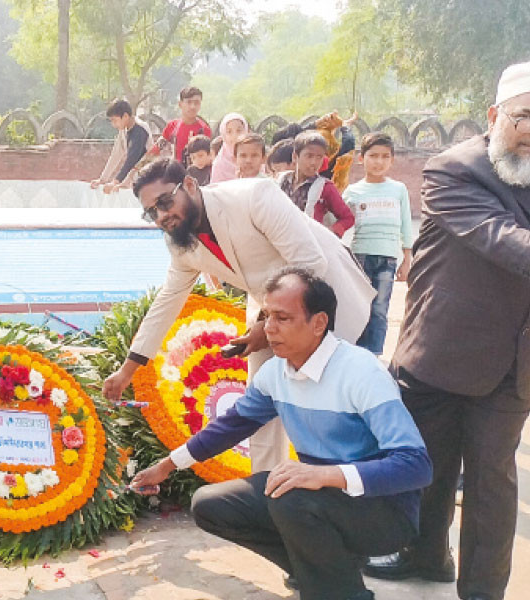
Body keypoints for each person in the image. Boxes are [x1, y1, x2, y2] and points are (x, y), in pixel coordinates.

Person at [130, 267, 432, 600]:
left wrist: (327, 475)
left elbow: (416, 465)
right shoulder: (276, 373)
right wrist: (167, 465)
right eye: (267, 316)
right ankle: (321, 571)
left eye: (283, 318)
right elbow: (230, 426)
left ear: (318, 323)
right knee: (210, 504)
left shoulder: (361, 373)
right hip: (316, 496)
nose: (268, 329)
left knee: (290, 494)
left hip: (383, 512)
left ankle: (342, 592)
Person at [364, 61, 530, 600]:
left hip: (512, 366)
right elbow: (500, 239)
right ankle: (425, 554)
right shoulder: (453, 169)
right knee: (423, 471)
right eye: (523, 117)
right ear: (495, 116)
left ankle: (482, 591)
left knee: (491, 484)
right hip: (437, 354)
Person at [102, 158, 375, 473]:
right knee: (259, 405)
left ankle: (355, 490)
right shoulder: (180, 240)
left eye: (165, 202)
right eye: (152, 212)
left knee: (334, 405)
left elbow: (310, 263)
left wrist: (264, 327)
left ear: (189, 184)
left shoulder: (254, 196)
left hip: (326, 297)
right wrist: (127, 371)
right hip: (269, 312)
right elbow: (168, 300)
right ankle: (267, 495)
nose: (162, 216)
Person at [342, 132, 413, 355]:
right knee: (359, 307)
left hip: (388, 258)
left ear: (392, 160)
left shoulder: (398, 189)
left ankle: (373, 354)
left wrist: (406, 259)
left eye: (384, 157)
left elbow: (406, 225)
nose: (379, 162)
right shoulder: (353, 191)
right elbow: (340, 221)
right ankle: (355, 353)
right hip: (360, 256)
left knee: (380, 309)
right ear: (361, 158)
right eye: (373, 156)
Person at [278, 131, 355, 237]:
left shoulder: (325, 187)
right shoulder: (281, 181)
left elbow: (348, 218)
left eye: (319, 157)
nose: (314, 162)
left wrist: (330, 232)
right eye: (309, 156)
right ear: (295, 157)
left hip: (308, 245)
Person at [91, 99, 153, 193]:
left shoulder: (140, 130)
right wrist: (102, 179)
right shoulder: (123, 130)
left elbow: (132, 159)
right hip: (134, 175)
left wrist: (116, 181)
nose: (113, 125)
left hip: (148, 176)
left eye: (115, 120)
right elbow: (116, 155)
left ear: (125, 116)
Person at [146, 86, 213, 162]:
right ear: (180, 104)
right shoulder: (172, 127)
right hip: (174, 172)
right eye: (189, 102)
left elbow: (209, 158)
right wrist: (136, 169)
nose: (193, 106)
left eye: (196, 103)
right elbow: (155, 151)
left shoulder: (204, 130)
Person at [210, 113, 249, 183]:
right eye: (229, 132)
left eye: (239, 131)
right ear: (224, 134)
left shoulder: (253, 155)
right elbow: (215, 190)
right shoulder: (220, 163)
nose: (235, 136)